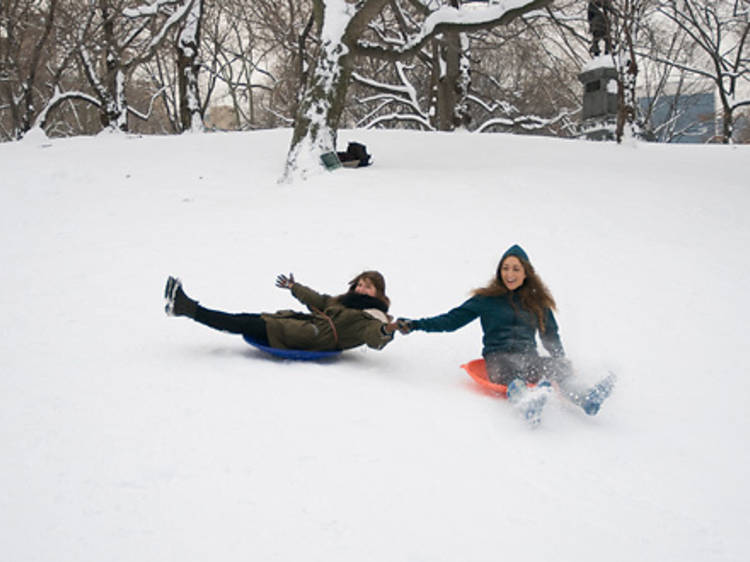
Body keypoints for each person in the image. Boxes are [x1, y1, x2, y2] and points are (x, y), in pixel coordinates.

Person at [397, 245, 614, 422]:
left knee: (559, 366)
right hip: (498, 359)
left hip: (529, 359)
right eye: (505, 268)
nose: (509, 274)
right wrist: (416, 324)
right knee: (512, 371)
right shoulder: (486, 300)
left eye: (516, 269)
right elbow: (451, 321)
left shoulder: (537, 302)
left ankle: (585, 398)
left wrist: (560, 359)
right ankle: (527, 404)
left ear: (526, 273)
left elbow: (551, 335)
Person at [164, 271, 399, 352]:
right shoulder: (346, 302)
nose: (361, 288)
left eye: (368, 286)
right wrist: (294, 287)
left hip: (311, 337)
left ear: (379, 294)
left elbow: (374, 337)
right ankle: (185, 307)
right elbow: (320, 300)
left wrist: (386, 331)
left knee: (242, 323)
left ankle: (187, 308)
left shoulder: (373, 316)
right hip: (303, 326)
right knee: (245, 319)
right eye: (359, 284)